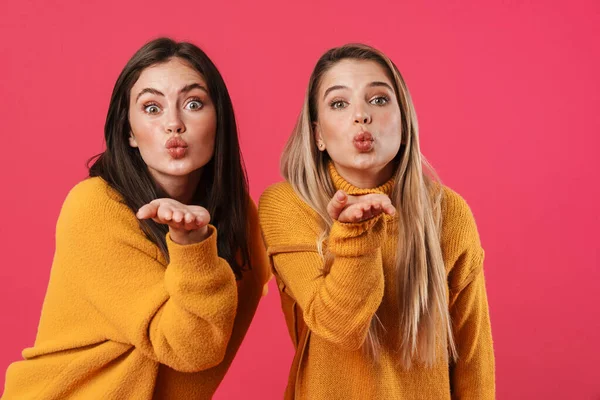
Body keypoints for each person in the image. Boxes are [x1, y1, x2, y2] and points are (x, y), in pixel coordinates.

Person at [2, 37, 269, 399]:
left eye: (193, 103)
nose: (174, 123)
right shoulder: (93, 207)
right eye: (152, 108)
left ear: (218, 120)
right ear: (128, 131)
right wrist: (192, 248)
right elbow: (191, 349)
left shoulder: (242, 221)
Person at [259, 43, 495, 399]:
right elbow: (339, 327)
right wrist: (355, 236)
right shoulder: (289, 205)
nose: (361, 115)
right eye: (339, 104)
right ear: (318, 134)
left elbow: (473, 360)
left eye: (379, 100)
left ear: (404, 121)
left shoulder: (448, 213)